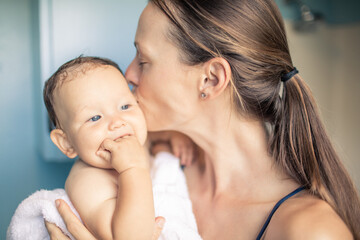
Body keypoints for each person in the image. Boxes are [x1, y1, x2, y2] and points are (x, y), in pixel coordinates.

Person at [46, 0, 360, 239]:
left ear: (210, 79)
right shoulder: (156, 158)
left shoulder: (308, 230)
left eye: (144, 61)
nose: (128, 75)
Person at [43, 56, 201, 239]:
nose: (118, 122)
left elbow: (148, 134)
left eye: (125, 106)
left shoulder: (130, 138)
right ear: (67, 143)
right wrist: (133, 169)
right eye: (95, 118)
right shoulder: (87, 181)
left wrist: (170, 135)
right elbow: (127, 236)